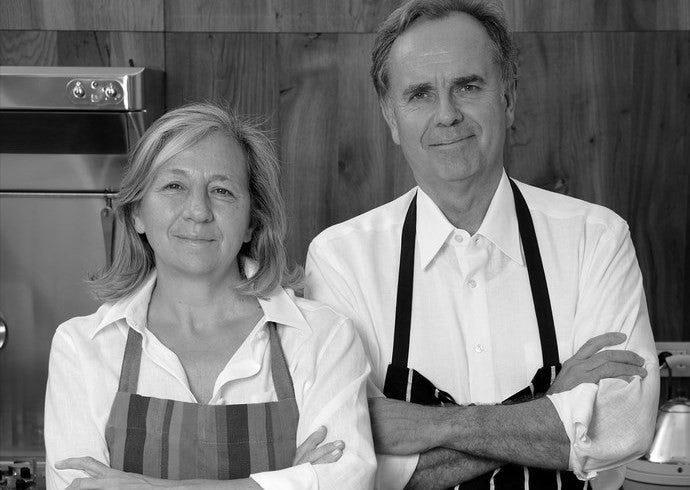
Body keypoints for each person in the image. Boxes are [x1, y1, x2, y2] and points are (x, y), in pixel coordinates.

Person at [304, 0, 659, 488]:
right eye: (420, 95)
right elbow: (347, 463)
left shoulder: (596, 239)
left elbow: (621, 426)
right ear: (391, 118)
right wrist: (554, 406)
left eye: (468, 87)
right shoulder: (341, 259)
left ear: (508, 98)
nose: (447, 115)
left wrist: (426, 427)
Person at [44, 102, 376, 489]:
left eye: (222, 191)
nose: (198, 211)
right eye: (174, 186)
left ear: (252, 221)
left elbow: (347, 482)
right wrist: (289, 480)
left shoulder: (322, 339)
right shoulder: (82, 348)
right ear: (137, 213)